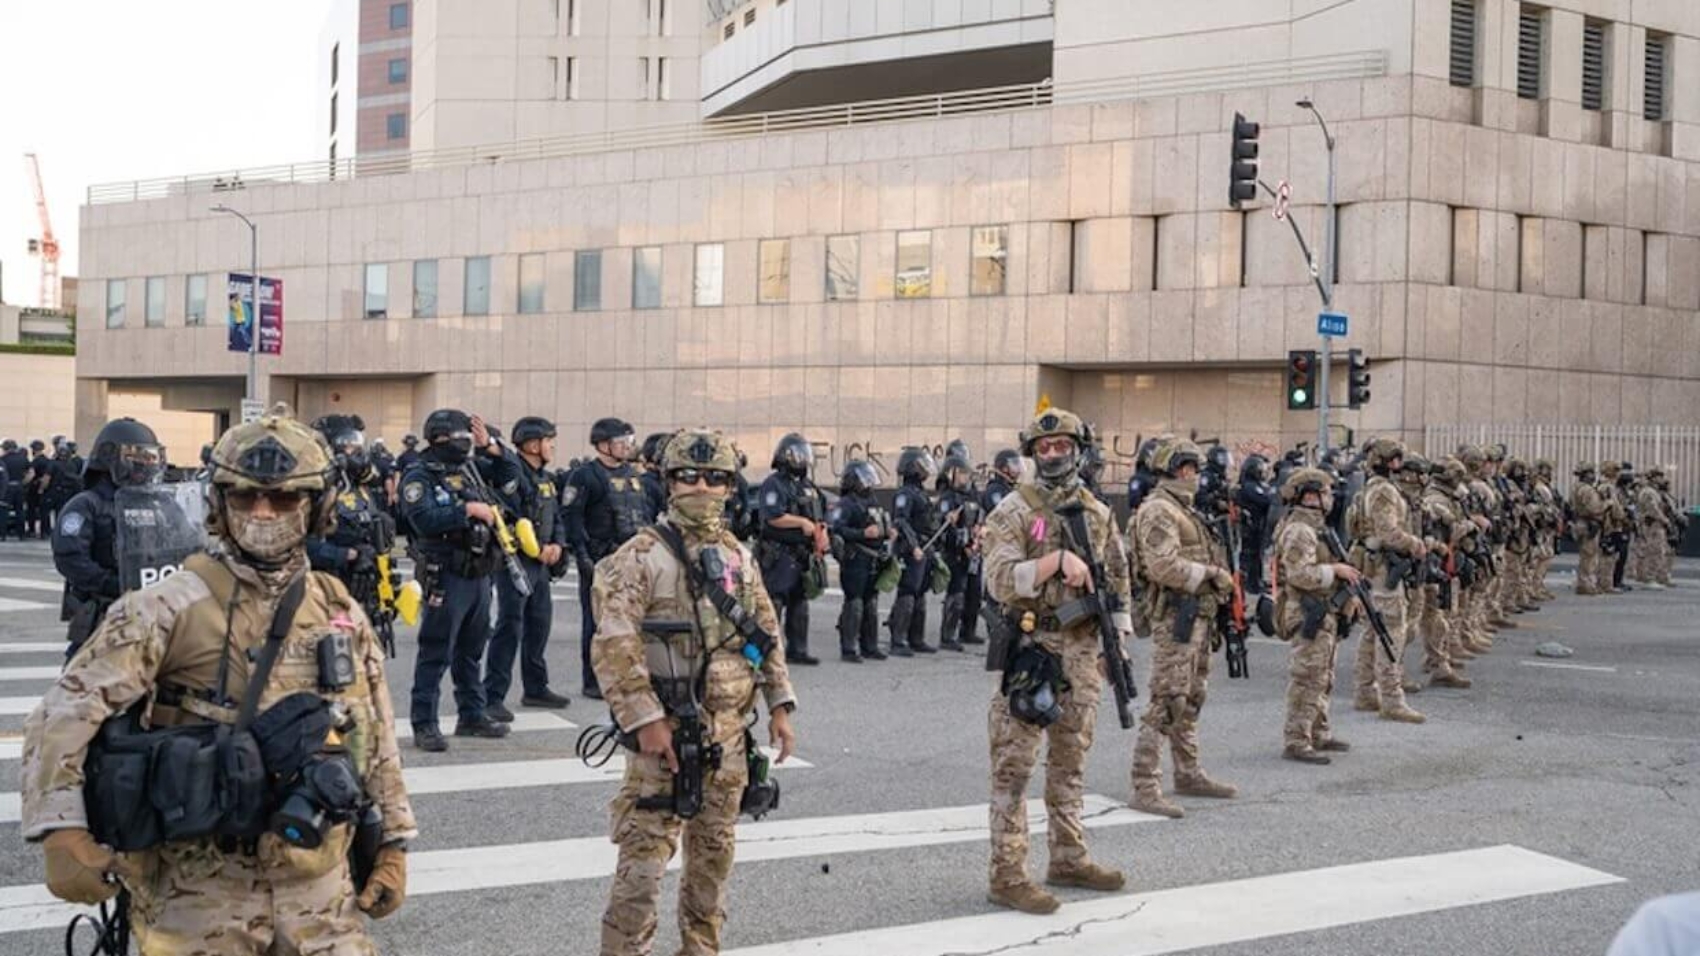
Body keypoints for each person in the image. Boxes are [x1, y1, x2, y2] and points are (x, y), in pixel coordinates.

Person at [21, 404, 414, 953]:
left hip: (320, 896)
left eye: (283, 498)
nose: (262, 511)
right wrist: (62, 833)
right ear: (218, 504)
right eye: (244, 496)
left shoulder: (336, 606)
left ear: (317, 505)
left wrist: (393, 844)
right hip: (199, 897)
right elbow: (63, 715)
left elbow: (374, 730)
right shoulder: (164, 608)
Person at [590, 427, 797, 956]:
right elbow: (614, 645)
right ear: (668, 483)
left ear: (730, 487)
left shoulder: (739, 558)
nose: (701, 488)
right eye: (688, 477)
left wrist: (779, 704)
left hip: (728, 739)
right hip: (664, 743)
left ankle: (700, 948)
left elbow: (764, 630)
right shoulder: (639, 557)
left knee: (713, 859)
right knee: (642, 869)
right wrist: (645, 719)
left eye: (715, 478)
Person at [980, 407, 1132, 914]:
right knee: (1014, 767)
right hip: (1034, 650)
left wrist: (1119, 645)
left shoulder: (1097, 511)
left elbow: (1117, 579)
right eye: (1043, 448)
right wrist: (1054, 562)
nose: (1051, 454)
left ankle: (1068, 856)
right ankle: (1007, 874)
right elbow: (999, 579)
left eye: (1061, 445)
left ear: (1077, 450)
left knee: (1070, 763)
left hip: (1083, 652)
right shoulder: (1014, 511)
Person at [1128, 437, 1239, 819]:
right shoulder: (1161, 509)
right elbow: (1162, 566)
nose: (1194, 475)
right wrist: (1212, 574)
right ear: (1173, 469)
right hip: (1177, 618)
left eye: (1195, 468)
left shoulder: (1185, 509)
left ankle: (1188, 772)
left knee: (1191, 697)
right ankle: (1145, 783)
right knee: (1167, 700)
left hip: (1198, 618)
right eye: (1187, 468)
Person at [399, 408, 519, 751]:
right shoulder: (419, 475)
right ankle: (425, 723)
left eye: (469, 437)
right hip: (445, 571)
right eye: (461, 437)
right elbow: (422, 519)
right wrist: (465, 511)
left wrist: (491, 446)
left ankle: (472, 714)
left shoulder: (469, 470)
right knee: (436, 650)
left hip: (479, 571)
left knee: (472, 648)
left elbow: (511, 478)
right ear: (438, 438)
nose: (466, 442)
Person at [52, 418, 169, 656]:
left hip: (153, 609)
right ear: (110, 458)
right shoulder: (87, 505)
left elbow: (185, 542)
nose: (144, 464)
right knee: (84, 683)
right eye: (136, 456)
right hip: (104, 611)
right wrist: (110, 583)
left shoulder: (161, 503)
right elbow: (70, 557)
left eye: (149, 457)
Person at [484, 416, 573, 720]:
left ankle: (535, 687)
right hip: (516, 562)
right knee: (510, 626)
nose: (552, 447)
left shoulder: (546, 479)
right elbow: (511, 513)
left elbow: (557, 516)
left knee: (539, 624)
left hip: (542, 563)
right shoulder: (512, 473)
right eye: (548, 441)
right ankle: (492, 695)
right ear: (533, 444)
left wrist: (557, 545)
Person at [1274, 466, 1361, 764]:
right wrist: (1334, 571)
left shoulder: (1317, 526)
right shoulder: (1300, 529)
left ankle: (1318, 731)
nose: (1330, 498)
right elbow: (1299, 574)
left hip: (1325, 611)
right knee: (1307, 676)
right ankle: (1297, 739)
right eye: (1324, 492)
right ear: (1310, 496)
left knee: (1323, 675)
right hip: (1308, 611)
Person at [564, 417, 651, 699]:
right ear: (603, 445)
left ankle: (626, 676)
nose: (627, 447)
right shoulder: (585, 476)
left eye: (629, 442)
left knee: (631, 622)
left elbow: (644, 515)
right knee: (597, 623)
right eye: (620, 442)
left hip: (633, 560)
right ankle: (592, 681)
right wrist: (582, 555)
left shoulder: (633, 475)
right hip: (600, 560)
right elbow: (573, 518)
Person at [1346, 439, 1427, 724]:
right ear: (1387, 460)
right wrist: (1415, 543)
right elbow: (1388, 532)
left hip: (1375, 567)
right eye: (1396, 458)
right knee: (1390, 632)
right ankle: (1392, 699)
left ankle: (1365, 691)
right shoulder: (1383, 490)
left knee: (1371, 631)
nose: (1400, 463)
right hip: (1382, 570)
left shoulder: (1372, 487)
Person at [306, 415, 400, 654]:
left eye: (356, 444)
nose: (354, 451)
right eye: (347, 445)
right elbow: (300, 543)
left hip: (365, 586)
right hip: (329, 587)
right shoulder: (315, 487)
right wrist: (343, 555)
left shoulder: (359, 486)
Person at [756, 433, 828, 666]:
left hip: (803, 554)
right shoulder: (773, 484)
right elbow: (772, 516)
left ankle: (798, 649)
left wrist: (822, 533)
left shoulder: (809, 487)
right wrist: (801, 523)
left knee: (800, 603)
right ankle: (768, 651)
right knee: (774, 603)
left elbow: (822, 515)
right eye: (799, 455)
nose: (804, 460)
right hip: (779, 553)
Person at [828, 460, 889, 662]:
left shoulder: (872, 501)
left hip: (874, 559)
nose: (869, 483)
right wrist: (862, 533)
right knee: (854, 603)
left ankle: (869, 646)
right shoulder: (846, 504)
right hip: (855, 560)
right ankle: (849, 648)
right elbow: (836, 529)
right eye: (865, 478)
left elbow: (881, 524)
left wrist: (888, 532)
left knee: (871, 603)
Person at [889, 446, 940, 657]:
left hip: (925, 547)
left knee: (920, 593)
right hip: (912, 550)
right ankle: (898, 640)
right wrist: (914, 546)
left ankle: (916, 638)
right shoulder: (904, 494)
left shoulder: (920, 493)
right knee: (908, 591)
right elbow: (901, 521)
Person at [935, 454, 986, 651]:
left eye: (967, 474)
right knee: (956, 594)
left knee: (973, 594)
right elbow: (946, 529)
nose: (966, 478)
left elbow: (979, 520)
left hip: (973, 551)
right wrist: (961, 543)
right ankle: (947, 635)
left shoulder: (972, 496)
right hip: (955, 553)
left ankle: (968, 631)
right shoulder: (948, 499)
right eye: (962, 474)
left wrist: (978, 537)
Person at [1570, 461, 1607, 596]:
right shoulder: (1587, 489)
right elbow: (1594, 508)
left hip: (1581, 522)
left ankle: (1584, 583)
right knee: (1590, 556)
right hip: (1588, 523)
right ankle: (1587, 585)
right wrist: (1606, 504)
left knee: (1585, 556)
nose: (1593, 476)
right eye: (1590, 473)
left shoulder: (1577, 487)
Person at [25, 438, 53, 539]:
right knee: (45, 511)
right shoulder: (48, 460)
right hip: (46, 489)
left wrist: (24, 483)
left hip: (34, 489)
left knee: (31, 510)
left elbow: (31, 475)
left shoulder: (35, 461)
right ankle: (45, 531)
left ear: (33, 450)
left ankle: (32, 530)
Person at [3, 438, 29, 539]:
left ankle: (2, 534)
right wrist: (23, 483)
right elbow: (31, 473)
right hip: (19, 487)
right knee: (20, 510)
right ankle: (21, 534)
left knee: (4, 510)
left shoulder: (3, 459)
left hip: (7, 487)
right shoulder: (23, 458)